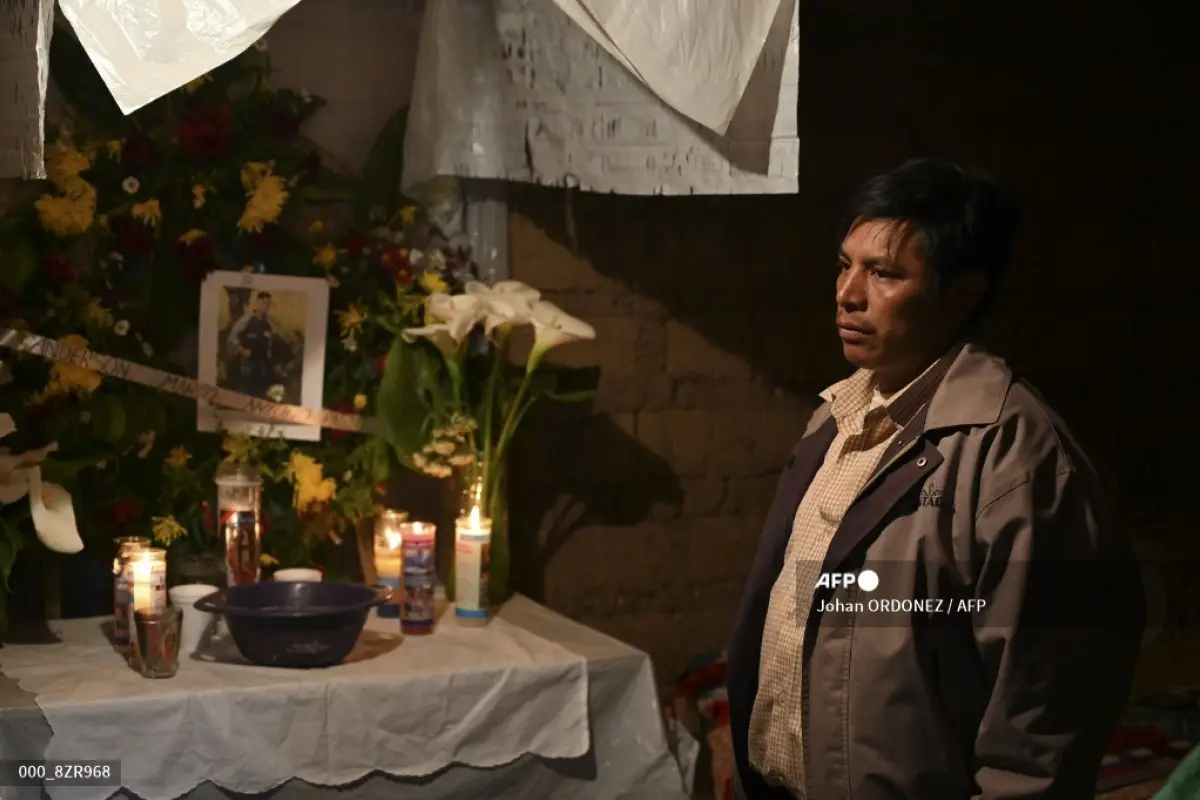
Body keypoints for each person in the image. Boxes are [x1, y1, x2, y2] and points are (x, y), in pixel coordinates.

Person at [726, 158, 1144, 799]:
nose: (848, 293)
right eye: (845, 265)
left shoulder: (1013, 457)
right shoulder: (837, 414)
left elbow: (1039, 732)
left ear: (964, 291)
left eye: (885, 273)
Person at [226, 291, 277, 398]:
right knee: (246, 392)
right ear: (257, 303)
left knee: (260, 394)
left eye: (268, 304)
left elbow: (269, 345)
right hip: (248, 364)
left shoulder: (267, 324)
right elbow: (232, 337)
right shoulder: (247, 319)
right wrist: (242, 350)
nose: (266, 306)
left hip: (262, 365)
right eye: (264, 303)